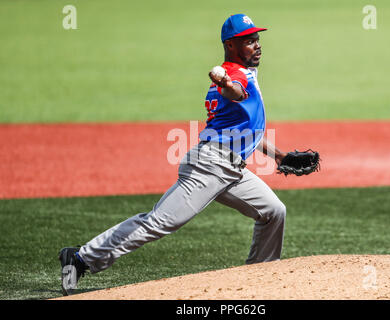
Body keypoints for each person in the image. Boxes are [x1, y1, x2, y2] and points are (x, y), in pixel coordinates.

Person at [59, 13, 289, 296]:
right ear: (230, 45)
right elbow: (235, 92)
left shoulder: (245, 73)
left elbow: (243, 127)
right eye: (248, 41)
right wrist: (226, 83)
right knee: (159, 222)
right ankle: (81, 258)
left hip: (231, 168)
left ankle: (259, 276)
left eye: (257, 39)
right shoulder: (234, 75)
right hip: (210, 167)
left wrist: (278, 155)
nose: (257, 45)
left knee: (273, 211)